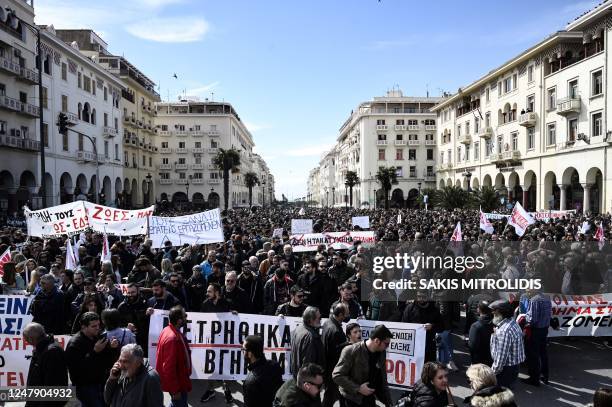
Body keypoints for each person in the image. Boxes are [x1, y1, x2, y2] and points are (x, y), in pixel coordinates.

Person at [66, 312, 120, 407]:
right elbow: (76, 370)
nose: (98, 328)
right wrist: (94, 352)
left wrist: (113, 348)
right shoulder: (75, 344)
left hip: (101, 382)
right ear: (83, 327)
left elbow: (107, 360)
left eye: (98, 325)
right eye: (93, 326)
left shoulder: (99, 337)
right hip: (85, 387)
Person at [333, 324, 393, 407]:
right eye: (386, 344)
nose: (387, 347)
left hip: (369, 398)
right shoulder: (351, 351)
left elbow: (382, 379)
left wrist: (389, 402)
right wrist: (358, 388)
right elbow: (337, 375)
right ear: (377, 341)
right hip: (351, 399)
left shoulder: (381, 352)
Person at [23, 322, 68, 407]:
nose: (26, 342)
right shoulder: (42, 349)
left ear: (31, 339)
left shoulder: (52, 352)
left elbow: (53, 386)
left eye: (26, 339)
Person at [155, 306, 192, 407]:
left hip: (180, 380)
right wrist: (175, 390)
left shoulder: (168, 330)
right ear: (179, 320)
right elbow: (168, 367)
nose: (186, 317)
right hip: (178, 385)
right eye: (185, 316)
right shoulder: (172, 339)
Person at [489, 300, 525, 389]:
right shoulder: (511, 322)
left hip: (506, 369)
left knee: (500, 393)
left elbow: (501, 356)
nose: (492, 312)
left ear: (502, 312)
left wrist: (492, 372)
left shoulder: (504, 331)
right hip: (514, 365)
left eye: (495, 311)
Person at [242, 335, 284, 407]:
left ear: (250, 353)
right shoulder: (275, 365)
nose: (242, 352)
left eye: (243, 349)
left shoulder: (250, 382)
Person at [401, 291, 443, 362]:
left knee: (428, 368)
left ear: (428, 297)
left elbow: (441, 327)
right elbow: (403, 324)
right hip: (413, 344)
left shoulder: (434, 309)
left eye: (423, 297)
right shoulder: (410, 308)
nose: (421, 299)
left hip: (429, 345)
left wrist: (432, 326)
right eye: (419, 296)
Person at [522, 290, 552, 386]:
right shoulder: (547, 297)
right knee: (543, 353)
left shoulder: (534, 300)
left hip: (535, 330)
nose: (527, 293)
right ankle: (545, 376)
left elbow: (532, 319)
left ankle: (534, 379)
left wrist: (524, 317)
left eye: (528, 290)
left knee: (533, 355)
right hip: (544, 329)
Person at [321, 303, 348, 407]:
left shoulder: (328, 322)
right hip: (333, 369)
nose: (347, 316)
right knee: (330, 397)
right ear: (340, 315)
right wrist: (348, 344)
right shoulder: (335, 330)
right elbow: (335, 352)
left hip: (328, 367)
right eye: (346, 314)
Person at [290, 306, 325, 377]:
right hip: (307, 380)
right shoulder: (310, 336)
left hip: (298, 376)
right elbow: (308, 362)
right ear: (311, 320)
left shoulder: (298, 329)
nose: (320, 320)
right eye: (319, 318)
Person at [468, 301, 494, 366]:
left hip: (479, 361)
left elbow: (472, 346)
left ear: (479, 310)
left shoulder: (476, 326)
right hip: (492, 359)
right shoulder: (495, 323)